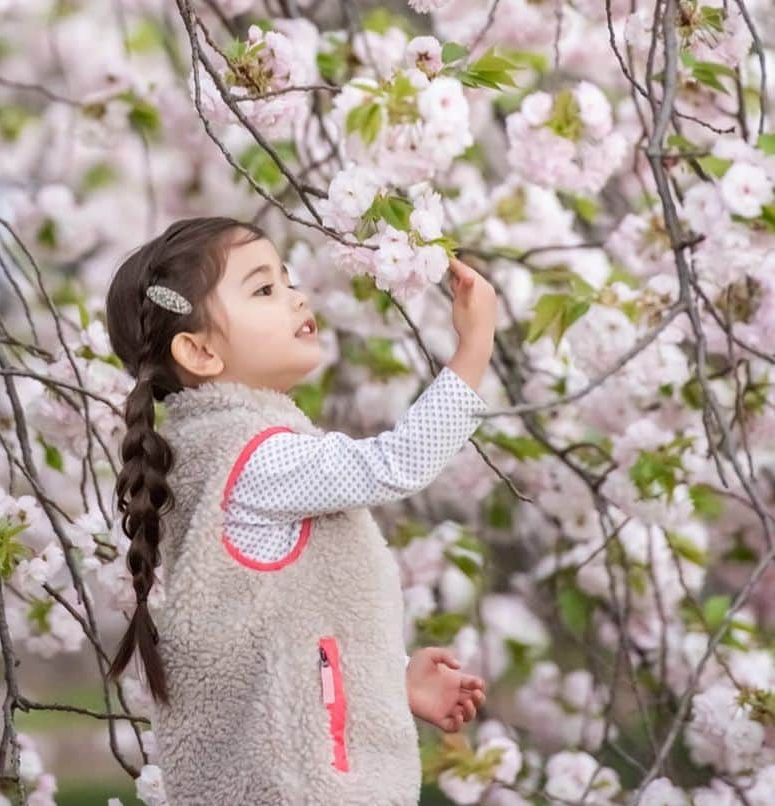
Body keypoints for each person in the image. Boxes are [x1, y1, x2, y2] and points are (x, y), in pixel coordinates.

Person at [105, 215, 496, 805]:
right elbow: (396, 463)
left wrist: (391, 682)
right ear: (200, 350)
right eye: (264, 289)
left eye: (287, 280)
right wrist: (474, 350)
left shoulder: (215, 454)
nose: (296, 297)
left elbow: (287, 634)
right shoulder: (259, 459)